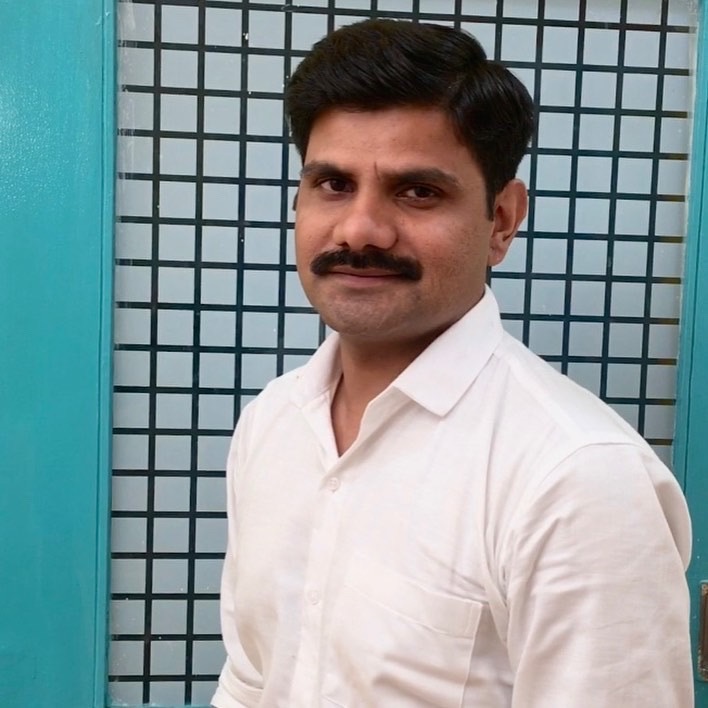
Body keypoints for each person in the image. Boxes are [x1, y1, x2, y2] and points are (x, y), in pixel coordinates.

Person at [212, 19, 693, 708]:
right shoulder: (272, 425)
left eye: (418, 192)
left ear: (502, 219)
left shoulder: (578, 480)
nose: (360, 229)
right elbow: (251, 683)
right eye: (333, 184)